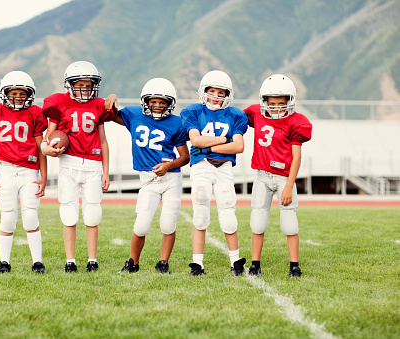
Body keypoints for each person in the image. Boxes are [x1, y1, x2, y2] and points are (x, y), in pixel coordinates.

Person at [105, 78, 190, 274]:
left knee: (168, 224)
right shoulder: (134, 114)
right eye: (154, 101)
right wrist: (112, 97)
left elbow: (185, 157)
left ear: (170, 104)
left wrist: (169, 165)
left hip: (171, 179)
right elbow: (110, 115)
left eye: (162, 102)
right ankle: (132, 263)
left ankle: (163, 263)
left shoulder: (177, 123)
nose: (158, 106)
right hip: (148, 180)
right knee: (141, 225)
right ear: (146, 101)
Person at [41, 61, 113, 273]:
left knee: (92, 213)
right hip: (68, 164)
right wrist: (47, 150)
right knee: (68, 213)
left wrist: (106, 171)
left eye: (88, 85)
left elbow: (103, 141)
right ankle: (70, 261)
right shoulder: (59, 103)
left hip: (93, 165)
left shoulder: (99, 105)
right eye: (79, 84)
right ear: (69, 85)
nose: (84, 89)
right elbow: (47, 137)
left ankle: (92, 260)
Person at [243, 74, 312, 277]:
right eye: (272, 103)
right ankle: (255, 264)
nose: (276, 107)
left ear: (289, 102)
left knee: (290, 223)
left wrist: (290, 185)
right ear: (264, 101)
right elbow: (236, 118)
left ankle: (294, 265)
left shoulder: (297, 122)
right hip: (262, 176)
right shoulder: (256, 113)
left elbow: (296, 157)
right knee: (258, 220)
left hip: (283, 178)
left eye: (281, 103)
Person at [180, 70, 248, 276]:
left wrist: (207, 146)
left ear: (228, 95)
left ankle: (235, 261)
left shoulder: (235, 115)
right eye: (212, 91)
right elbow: (196, 141)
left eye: (221, 92)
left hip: (224, 166)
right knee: (200, 212)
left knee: (228, 212)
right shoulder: (193, 111)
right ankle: (197, 263)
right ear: (204, 92)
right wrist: (224, 140)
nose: (216, 96)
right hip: (200, 165)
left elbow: (239, 146)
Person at [0, 70, 48, 274]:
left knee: (30, 217)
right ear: (5, 93)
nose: (18, 97)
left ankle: (37, 262)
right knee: (8, 217)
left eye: (22, 94)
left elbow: (40, 148)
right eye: (14, 93)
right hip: (6, 171)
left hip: (29, 172)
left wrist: (44, 177)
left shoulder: (35, 113)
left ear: (30, 95)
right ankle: (4, 262)